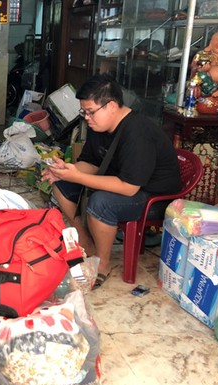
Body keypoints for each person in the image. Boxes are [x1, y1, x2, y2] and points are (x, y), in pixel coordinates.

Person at [41, 74, 181, 287]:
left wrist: (78, 176)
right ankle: (87, 244)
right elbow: (91, 163)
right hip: (126, 186)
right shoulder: (99, 126)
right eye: (84, 112)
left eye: (90, 112)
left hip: (154, 197)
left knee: (101, 202)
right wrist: (65, 172)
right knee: (61, 184)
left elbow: (129, 188)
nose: (87, 117)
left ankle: (103, 264)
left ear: (112, 106)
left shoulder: (138, 132)